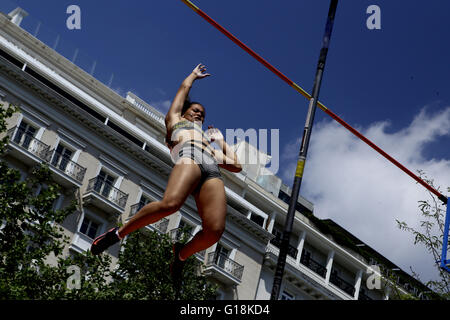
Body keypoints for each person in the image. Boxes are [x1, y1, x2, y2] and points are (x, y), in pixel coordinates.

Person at [90, 63, 242, 287]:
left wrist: (220, 140)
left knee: (215, 231)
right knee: (171, 204)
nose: (199, 113)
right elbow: (182, 92)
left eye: (203, 113)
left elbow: (236, 166)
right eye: (195, 110)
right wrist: (192, 76)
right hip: (189, 156)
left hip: (211, 167)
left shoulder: (209, 144)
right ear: (185, 112)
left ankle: (180, 255)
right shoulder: (175, 120)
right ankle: (117, 233)